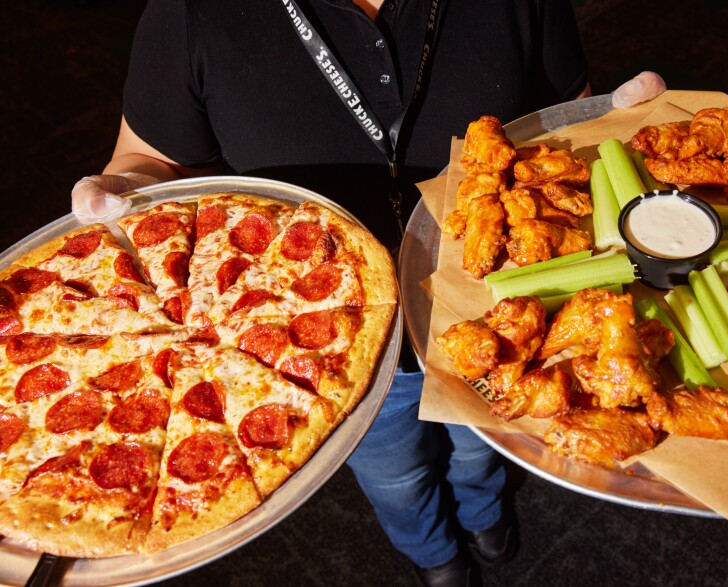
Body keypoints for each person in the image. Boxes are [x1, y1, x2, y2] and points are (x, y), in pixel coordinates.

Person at [71, 1, 590, 585]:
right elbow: (150, 158)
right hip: (318, 349)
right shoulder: (190, 12)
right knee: (396, 477)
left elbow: (566, 119)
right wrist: (124, 191)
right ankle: (433, 552)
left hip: (501, 313)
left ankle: (484, 512)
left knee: (484, 445)